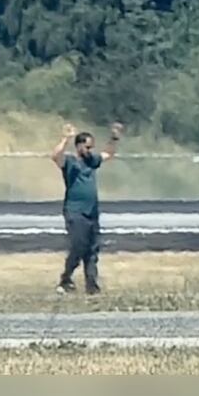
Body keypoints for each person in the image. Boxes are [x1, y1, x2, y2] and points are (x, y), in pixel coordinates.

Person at [50, 121, 123, 295]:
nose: (90, 150)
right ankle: (66, 278)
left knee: (92, 249)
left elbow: (108, 154)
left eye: (92, 147)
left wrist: (114, 138)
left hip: (92, 213)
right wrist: (66, 138)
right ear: (79, 146)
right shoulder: (70, 163)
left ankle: (92, 285)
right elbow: (55, 156)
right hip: (75, 212)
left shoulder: (92, 162)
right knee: (78, 246)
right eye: (88, 147)